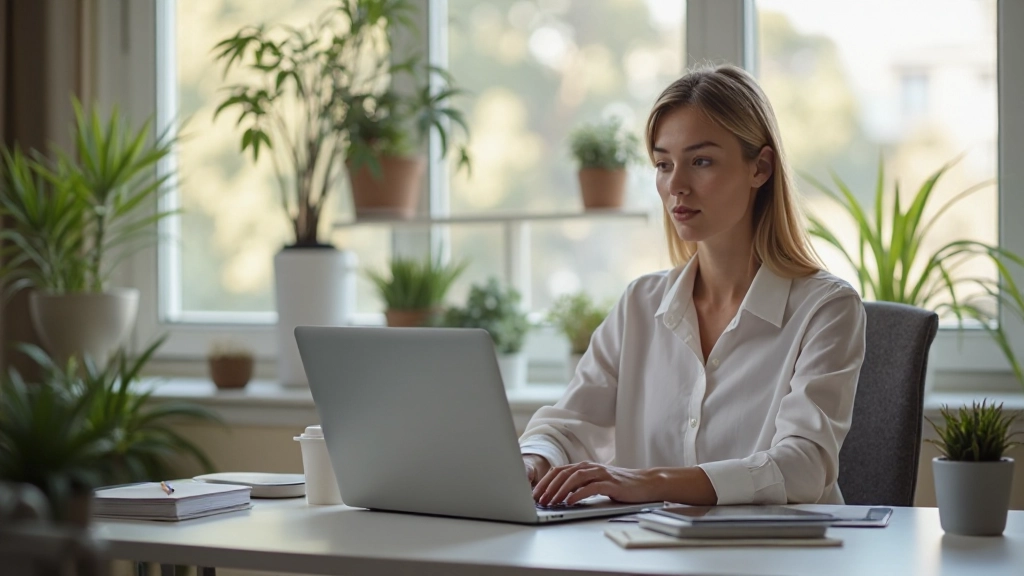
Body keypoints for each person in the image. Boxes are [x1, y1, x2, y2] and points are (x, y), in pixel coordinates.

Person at [521, 64, 866, 507]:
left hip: (780, 559)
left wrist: (652, 482)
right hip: (650, 557)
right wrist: (532, 460)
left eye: (700, 161)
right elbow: (565, 426)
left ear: (760, 167)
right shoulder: (639, 305)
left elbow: (802, 467)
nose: (675, 186)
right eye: (664, 164)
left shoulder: (827, 309)